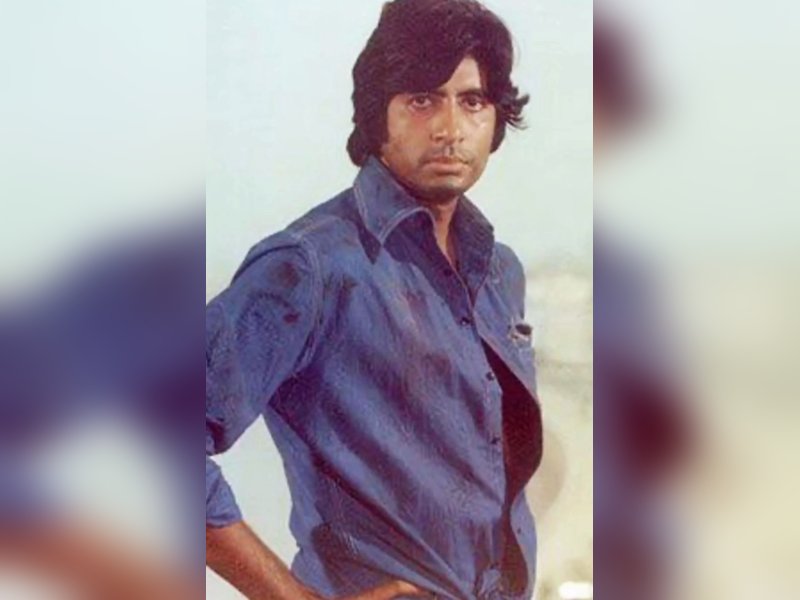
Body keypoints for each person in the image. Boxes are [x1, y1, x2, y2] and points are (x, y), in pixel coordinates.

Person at [206, 1, 542, 598]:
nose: (450, 128)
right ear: (377, 116)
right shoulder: (310, 265)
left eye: (472, 101)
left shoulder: (499, 271)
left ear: (496, 119)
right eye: (422, 99)